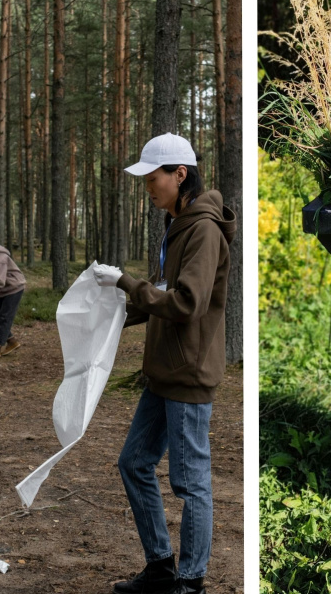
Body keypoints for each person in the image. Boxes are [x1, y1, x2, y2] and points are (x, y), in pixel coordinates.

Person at [93, 133, 236, 594]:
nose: (147, 187)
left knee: (190, 482)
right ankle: (160, 567)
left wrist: (127, 283)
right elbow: (162, 297)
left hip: (189, 375)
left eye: (152, 178)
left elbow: (188, 303)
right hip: (162, 375)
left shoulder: (204, 230)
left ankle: (190, 581)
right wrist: (113, 308)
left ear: (180, 174)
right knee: (134, 462)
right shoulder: (178, 225)